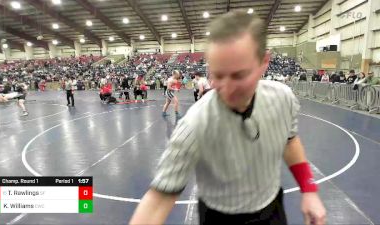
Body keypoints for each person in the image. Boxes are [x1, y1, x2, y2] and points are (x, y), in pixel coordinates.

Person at [130, 11, 326, 225]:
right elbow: (158, 200)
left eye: (239, 75)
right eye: (218, 74)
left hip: (272, 211)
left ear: (264, 62)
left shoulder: (282, 99)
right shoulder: (195, 125)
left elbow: (290, 140)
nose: (226, 88)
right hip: (220, 218)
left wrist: (309, 190)